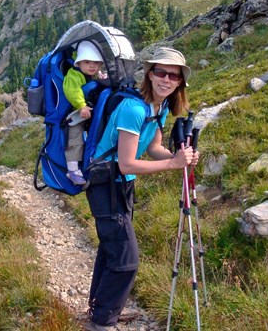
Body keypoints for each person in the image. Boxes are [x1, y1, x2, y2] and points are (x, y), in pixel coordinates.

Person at [84, 47, 199, 331]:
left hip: (122, 188)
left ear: (179, 83)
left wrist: (179, 158)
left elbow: (153, 148)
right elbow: (126, 163)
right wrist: (173, 165)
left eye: (173, 76)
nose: (166, 79)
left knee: (112, 251)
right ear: (149, 74)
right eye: (161, 72)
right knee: (126, 261)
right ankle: (101, 323)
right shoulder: (134, 109)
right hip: (106, 185)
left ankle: (101, 309)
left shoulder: (158, 109)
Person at [63, 41, 106, 185]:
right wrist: (81, 106)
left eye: (96, 62)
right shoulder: (74, 75)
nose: (92, 66)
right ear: (79, 63)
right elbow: (72, 91)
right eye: (87, 62)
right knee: (75, 139)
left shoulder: (91, 75)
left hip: (87, 113)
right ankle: (72, 170)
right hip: (74, 114)